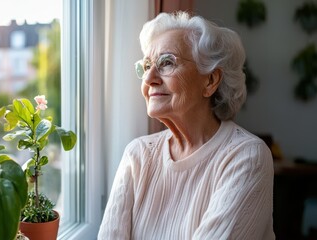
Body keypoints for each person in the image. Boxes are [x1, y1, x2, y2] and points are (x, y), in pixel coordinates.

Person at [98, 11, 274, 240]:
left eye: (166, 62)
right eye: (147, 65)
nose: (149, 78)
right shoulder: (137, 155)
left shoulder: (246, 157)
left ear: (210, 81)